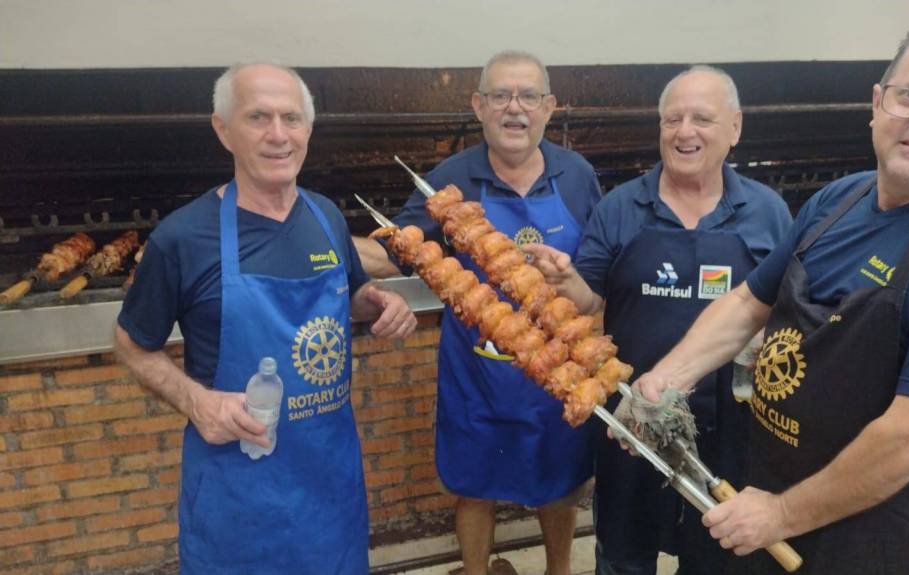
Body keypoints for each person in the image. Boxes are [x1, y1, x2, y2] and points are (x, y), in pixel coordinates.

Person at [631, 21, 909, 575]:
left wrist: (782, 514)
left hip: (882, 510)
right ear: (878, 103)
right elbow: (747, 303)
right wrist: (667, 380)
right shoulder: (840, 199)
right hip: (777, 472)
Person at [114, 63, 417, 574]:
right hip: (238, 501)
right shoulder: (183, 238)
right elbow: (130, 344)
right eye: (258, 117)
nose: (278, 135)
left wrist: (379, 303)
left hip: (329, 492)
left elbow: (347, 295)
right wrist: (197, 401)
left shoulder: (326, 217)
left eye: (291, 118)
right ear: (223, 130)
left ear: (308, 130)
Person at [525, 66, 792, 575]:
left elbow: (787, 308)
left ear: (735, 127)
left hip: (730, 433)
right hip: (632, 424)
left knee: (717, 560)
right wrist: (564, 281)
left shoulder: (767, 211)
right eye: (672, 119)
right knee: (624, 557)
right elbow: (587, 300)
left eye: (702, 119)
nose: (684, 132)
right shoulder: (621, 206)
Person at [355, 50, 603, 575]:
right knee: (473, 488)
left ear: (549, 107)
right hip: (476, 374)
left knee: (560, 490)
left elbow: (598, 275)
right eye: (500, 96)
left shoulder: (578, 175)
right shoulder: (449, 178)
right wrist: (328, 242)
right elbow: (398, 250)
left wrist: (575, 283)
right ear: (478, 105)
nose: (515, 108)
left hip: (555, 372)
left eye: (529, 96)